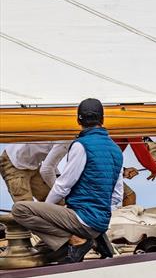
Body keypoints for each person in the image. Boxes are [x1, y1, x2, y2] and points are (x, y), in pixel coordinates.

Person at [11, 98, 124, 263]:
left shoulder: (81, 145)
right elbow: (116, 197)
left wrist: (46, 209)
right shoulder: (116, 149)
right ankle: (94, 238)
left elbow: (63, 186)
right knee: (46, 251)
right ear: (103, 119)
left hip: (81, 219)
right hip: (101, 222)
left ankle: (77, 240)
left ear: (78, 120)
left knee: (20, 210)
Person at [0, 142, 68, 203]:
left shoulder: (66, 134)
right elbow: (46, 170)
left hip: (32, 164)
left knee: (58, 203)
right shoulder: (68, 139)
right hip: (13, 163)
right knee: (26, 211)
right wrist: (61, 191)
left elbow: (50, 163)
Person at [114, 137, 156, 206]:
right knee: (129, 197)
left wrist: (123, 171)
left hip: (100, 166)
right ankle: (126, 217)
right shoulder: (131, 127)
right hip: (102, 168)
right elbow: (140, 150)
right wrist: (154, 169)